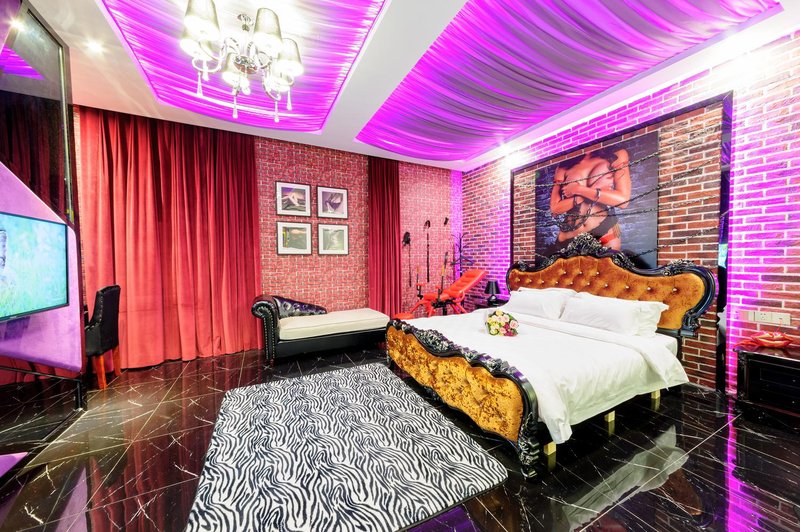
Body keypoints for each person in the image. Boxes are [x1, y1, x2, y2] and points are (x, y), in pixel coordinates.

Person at [548, 147, 631, 251]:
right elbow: (555, 209)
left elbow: (623, 201)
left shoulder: (616, 154)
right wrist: (586, 193)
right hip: (568, 238)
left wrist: (578, 189)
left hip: (604, 233)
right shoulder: (563, 166)